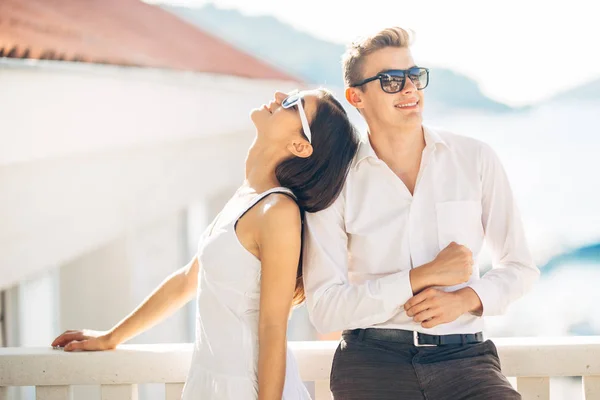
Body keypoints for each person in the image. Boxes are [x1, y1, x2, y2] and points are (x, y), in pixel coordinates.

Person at [51, 88, 360, 400]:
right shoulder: (248, 197)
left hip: (246, 388)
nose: (280, 96)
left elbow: (272, 329)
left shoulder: (278, 212)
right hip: (209, 383)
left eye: (294, 103)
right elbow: (189, 279)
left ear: (299, 146)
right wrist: (111, 337)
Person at [303, 27, 540, 399]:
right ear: (356, 97)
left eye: (413, 76)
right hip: (371, 361)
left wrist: (466, 298)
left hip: (465, 359)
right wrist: (420, 277)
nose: (410, 88)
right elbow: (326, 309)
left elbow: (521, 267)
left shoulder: (474, 158)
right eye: (391, 81)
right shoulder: (337, 180)